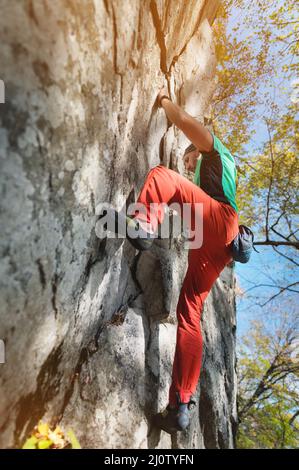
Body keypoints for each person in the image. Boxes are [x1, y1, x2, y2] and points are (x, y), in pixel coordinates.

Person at [102, 88, 239, 434]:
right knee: (189, 313)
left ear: (199, 151)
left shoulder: (215, 149)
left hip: (220, 219)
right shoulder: (220, 177)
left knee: (163, 175)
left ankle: (144, 222)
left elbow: (181, 120)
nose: (189, 165)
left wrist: (163, 98)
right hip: (220, 243)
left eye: (191, 161)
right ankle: (182, 403)